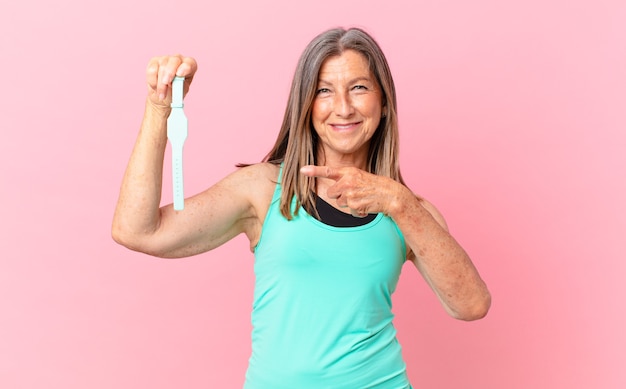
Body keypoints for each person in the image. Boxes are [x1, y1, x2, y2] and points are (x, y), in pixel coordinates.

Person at [112, 27, 491, 389]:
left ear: (384, 103)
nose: (342, 108)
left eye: (358, 87)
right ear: (306, 106)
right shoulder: (262, 190)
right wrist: (159, 107)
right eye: (324, 90)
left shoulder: (409, 211)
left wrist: (399, 202)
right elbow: (137, 230)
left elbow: (471, 305)